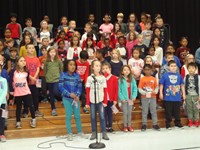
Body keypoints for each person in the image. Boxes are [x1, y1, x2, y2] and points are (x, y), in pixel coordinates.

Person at [59, 59, 88, 141]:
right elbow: (61, 87)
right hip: (67, 99)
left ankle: (80, 132)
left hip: (76, 99)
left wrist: (78, 95)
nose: (72, 66)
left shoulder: (77, 76)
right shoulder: (63, 75)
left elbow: (80, 87)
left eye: (74, 65)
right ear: (67, 66)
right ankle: (69, 133)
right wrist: (69, 94)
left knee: (77, 116)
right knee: (68, 116)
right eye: (70, 64)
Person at [9, 56, 36, 129]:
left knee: (31, 105)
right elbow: (10, 81)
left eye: (24, 60)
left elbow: (27, 81)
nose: (23, 62)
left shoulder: (26, 71)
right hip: (18, 93)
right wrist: (11, 90)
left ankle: (33, 119)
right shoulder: (13, 71)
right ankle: (18, 122)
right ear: (17, 62)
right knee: (19, 107)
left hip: (26, 92)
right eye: (21, 61)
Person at [85, 60, 109, 140]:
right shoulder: (89, 78)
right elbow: (87, 91)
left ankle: (104, 132)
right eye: (96, 66)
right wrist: (87, 102)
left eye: (99, 66)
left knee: (102, 117)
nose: (98, 67)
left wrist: (105, 101)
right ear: (92, 67)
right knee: (93, 117)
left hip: (101, 101)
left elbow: (105, 90)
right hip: (92, 101)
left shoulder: (103, 78)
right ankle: (94, 132)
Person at [159, 60, 185, 129]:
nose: (173, 67)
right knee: (168, 111)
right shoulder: (165, 75)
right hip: (168, 97)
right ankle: (168, 123)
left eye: (174, 66)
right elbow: (161, 84)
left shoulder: (179, 76)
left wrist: (184, 94)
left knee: (177, 111)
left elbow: (182, 85)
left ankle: (177, 122)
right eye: (171, 66)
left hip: (177, 97)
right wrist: (161, 93)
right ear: (168, 67)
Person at [138, 64, 160, 131]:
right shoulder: (142, 79)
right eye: (146, 69)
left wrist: (155, 91)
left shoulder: (153, 79)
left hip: (153, 97)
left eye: (149, 69)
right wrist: (144, 92)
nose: (147, 71)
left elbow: (156, 87)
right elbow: (139, 88)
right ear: (144, 70)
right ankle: (144, 124)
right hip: (144, 97)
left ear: (151, 70)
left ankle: (155, 124)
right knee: (145, 111)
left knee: (153, 111)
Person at [24, 44, 43, 117]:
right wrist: (31, 77)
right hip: (27, 81)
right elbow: (24, 69)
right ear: (26, 50)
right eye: (29, 48)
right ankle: (25, 111)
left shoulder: (36, 59)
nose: (31, 49)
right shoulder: (25, 59)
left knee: (36, 96)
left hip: (36, 81)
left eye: (33, 48)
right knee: (27, 96)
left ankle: (36, 110)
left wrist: (34, 77)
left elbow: (38, 68)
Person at [118, 65, 137, 132]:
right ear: (122, 72)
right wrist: (122, 98)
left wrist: (134, 96)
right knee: (125, 113)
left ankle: (129, 126)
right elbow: (119, 91)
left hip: (130, 99)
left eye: (128, 70)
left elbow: (135, 89)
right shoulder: (120, 80)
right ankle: (125, 126)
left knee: (129, 113)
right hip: (124, 100)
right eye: (125, 70)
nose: (126, 71)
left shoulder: (132, 79)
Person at [44, 47, 63, 116]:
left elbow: (61, 69)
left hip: (57, 79)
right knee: (51, 95)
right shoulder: (46, 61)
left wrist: (61, 78)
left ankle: (64, 97)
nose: (52, 53)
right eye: (51, 52)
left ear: (56, 53)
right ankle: (53, 108)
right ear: (48, 53)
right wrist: (47, 77)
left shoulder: (58, 61)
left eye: (54, 52)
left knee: (56, 91)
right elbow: (45, 70)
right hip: (49, 80)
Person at [102, 62, 118, 132]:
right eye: (103, 69)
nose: (105, 70)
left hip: (111, 99)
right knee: (104, 114)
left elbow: (116, 89)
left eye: (106, 68)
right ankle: (105, 126)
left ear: (110, 69)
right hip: (104, 100)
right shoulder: (102, 78)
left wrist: (115, 99)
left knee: (110, 114)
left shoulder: (114, 78)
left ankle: (110, 126)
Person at [184, 62, 200, 127]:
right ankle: (190, 120)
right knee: (189, 109)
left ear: (195, 69)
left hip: (196, 95)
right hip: (188, 96)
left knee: (196, 108)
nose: (191, 69)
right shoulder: (186, 77)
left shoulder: (198, 77)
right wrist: (184, 95)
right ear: (187, 69)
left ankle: (196, 121)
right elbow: (184, 86)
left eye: (193, 68)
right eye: (189, 68)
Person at [0, 75, 8, 142]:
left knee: (2, 119)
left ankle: (2, 134)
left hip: (2, 103)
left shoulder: (4, 80)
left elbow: (4, 91)